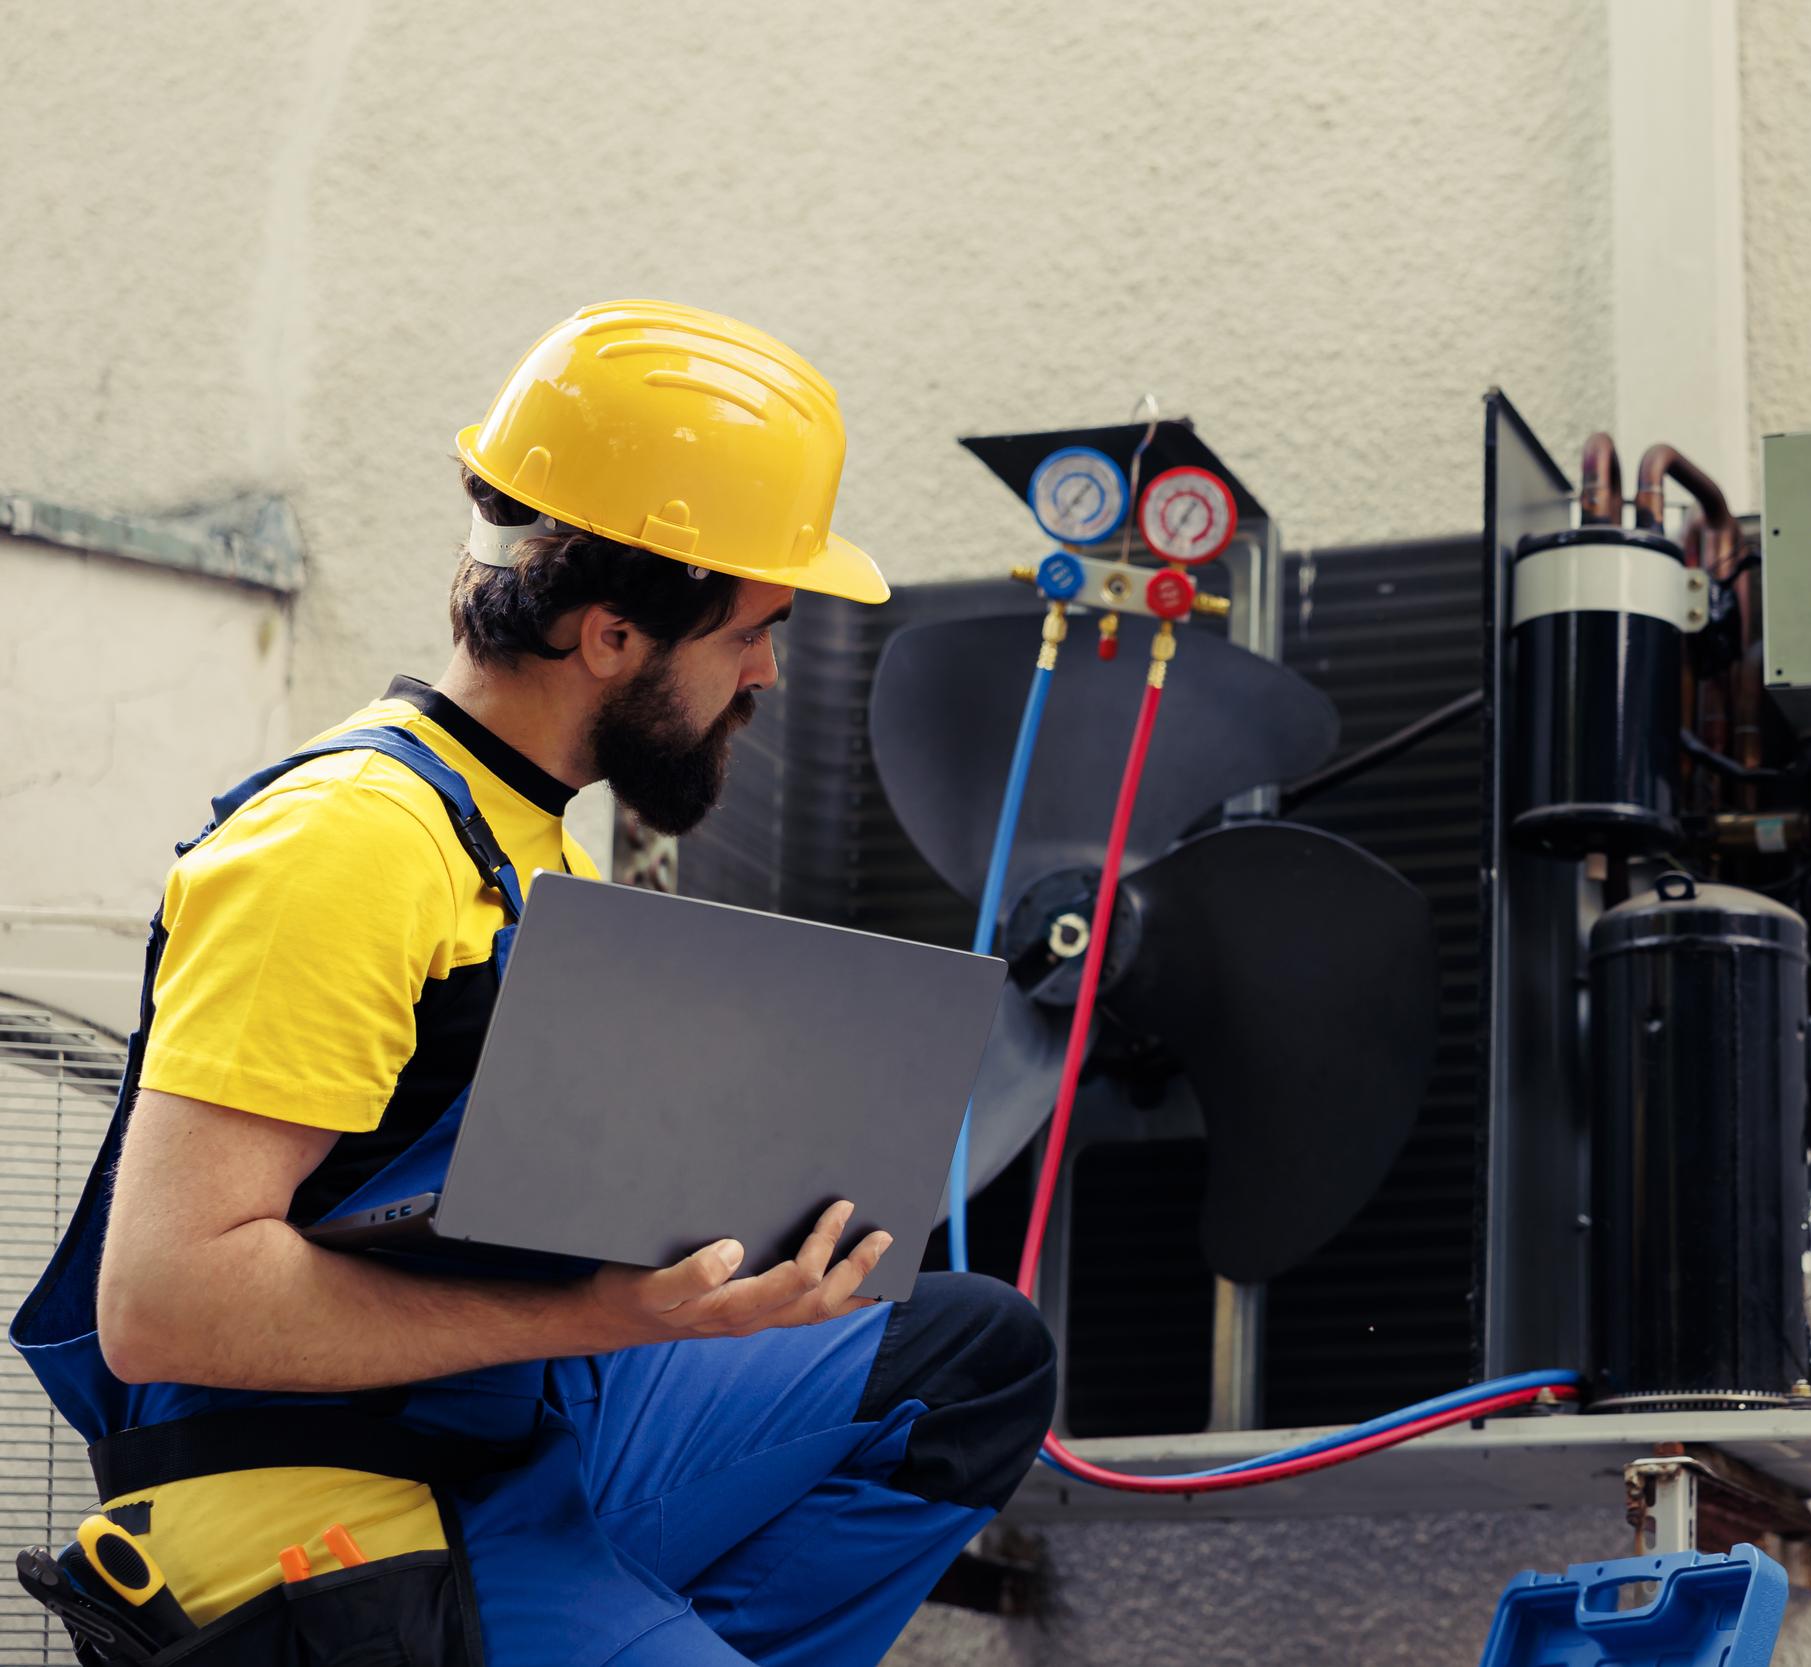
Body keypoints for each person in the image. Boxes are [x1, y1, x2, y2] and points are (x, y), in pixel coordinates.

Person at [11, 301, 1055, 1666]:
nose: (767, 672)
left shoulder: (519, 843)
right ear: (612, 635)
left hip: (518, 1427)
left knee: (969, 1357)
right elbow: (162, 1308)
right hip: (318, 1501)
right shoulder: (346, 846)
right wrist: (602, 1311)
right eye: (751, 630)